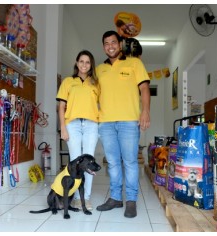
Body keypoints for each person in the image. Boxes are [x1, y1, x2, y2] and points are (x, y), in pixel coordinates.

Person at [96, 30, 151, 218]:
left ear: (120, 44)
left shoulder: (135, 63)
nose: (110, 46)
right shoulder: (99, 69)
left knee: (130, 162)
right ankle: (115, 198)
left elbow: (144, 88)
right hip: (105, 123)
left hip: (129, 121)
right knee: (112, 163)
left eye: (113, 42)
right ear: (103, 47)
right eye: (106, 43)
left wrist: (145, 111)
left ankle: (131, 201)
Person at [56, 50, 99, 211]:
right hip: (72, 124)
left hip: (91, 125)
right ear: (76, 62)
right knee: (75, 162)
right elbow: (61, 107)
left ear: (91, 65)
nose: (84, 65)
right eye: (81, 61)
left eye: (87, 62)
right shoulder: (68, 81)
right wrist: (63, 127)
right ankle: (74, 197)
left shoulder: (95, 83)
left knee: (89, 163)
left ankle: (86, 198)